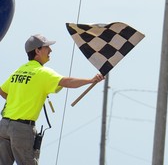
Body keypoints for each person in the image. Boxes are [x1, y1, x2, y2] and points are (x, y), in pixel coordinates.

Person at [0, 34, 105, 165]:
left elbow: (2, 91)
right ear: (37, 51)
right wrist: (91, 80)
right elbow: (67, 81)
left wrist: (19, 99)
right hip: (22, 129)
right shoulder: (42, 73)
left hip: (4, 126)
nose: (50, 50)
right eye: (46, 47)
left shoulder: (18, 71)